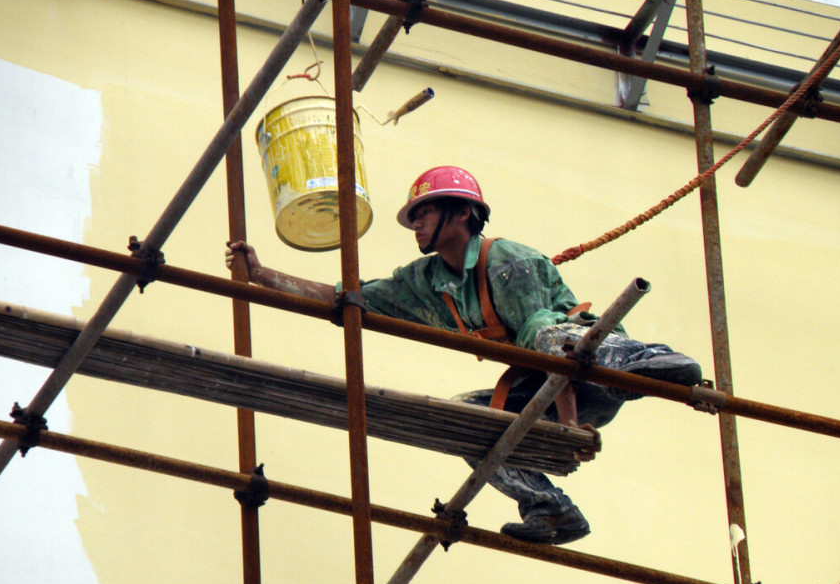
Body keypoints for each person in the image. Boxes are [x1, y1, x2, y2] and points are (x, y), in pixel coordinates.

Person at [226, 166, 702, 545]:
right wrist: (262, 276)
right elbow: (350, 298)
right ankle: (549, 509)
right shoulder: (427, 283)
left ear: (460, 213)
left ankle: (658, 365)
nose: (415, 224)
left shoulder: (507, 260)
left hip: (594, 366)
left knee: (549, 337)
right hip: (548, 388)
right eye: (414, 216)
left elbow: (544, 344)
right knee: (467, 419)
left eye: (425, 212)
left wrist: (569, 429)